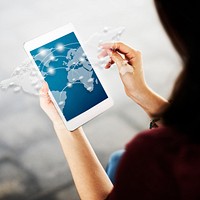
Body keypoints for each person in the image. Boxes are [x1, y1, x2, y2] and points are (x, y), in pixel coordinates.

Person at [39, 0, 200, 199]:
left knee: (120, 162)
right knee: (117, 160)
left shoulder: (152, 153)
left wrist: (65, 126)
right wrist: (141, 93)